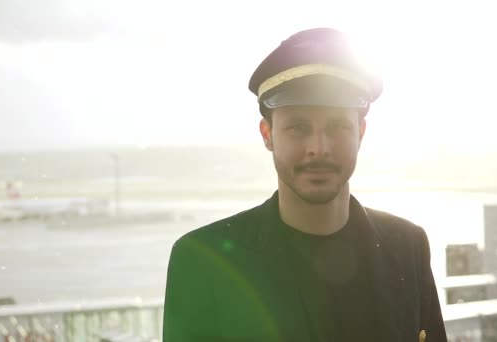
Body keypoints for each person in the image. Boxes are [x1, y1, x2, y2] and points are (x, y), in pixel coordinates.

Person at [163, 27, 447, 342]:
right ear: (267, 135)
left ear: (361, 134)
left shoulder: (407, 246)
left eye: (337, 126)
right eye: (298, 127)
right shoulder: (202, 261)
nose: (319, 148)